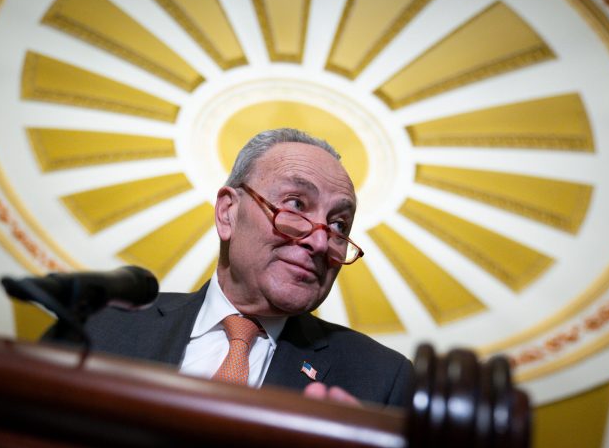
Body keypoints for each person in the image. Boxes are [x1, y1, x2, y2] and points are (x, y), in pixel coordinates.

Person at [49, 128, 412, 406]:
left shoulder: (382, 381)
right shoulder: (100, 325)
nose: (319, 242)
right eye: (297, 204)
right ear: (228, 212)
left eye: (339, 227)